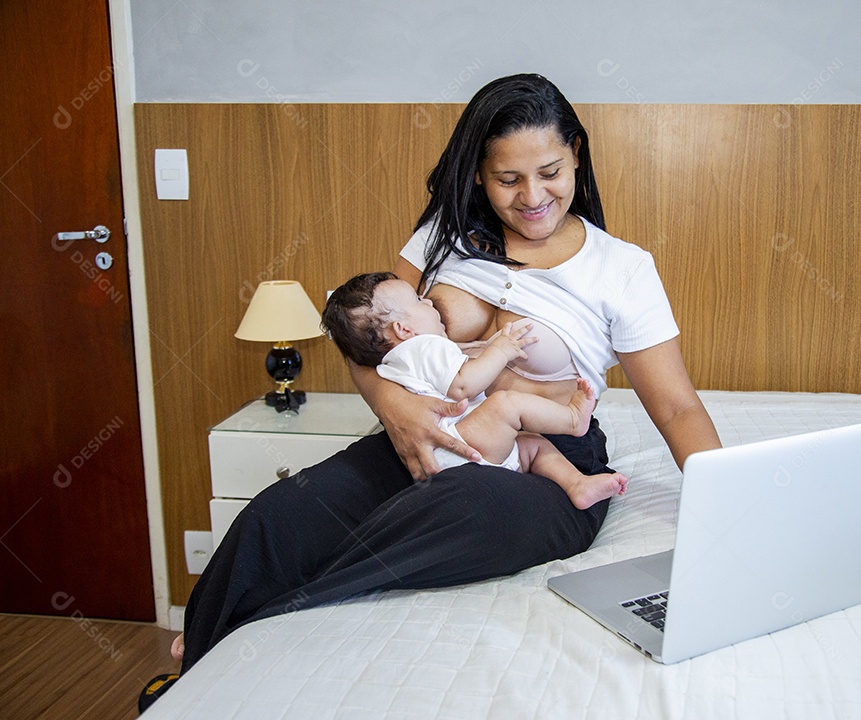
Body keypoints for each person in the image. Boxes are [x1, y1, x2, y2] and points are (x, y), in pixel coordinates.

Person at [146, 72, 721, 709]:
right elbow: (370, 340)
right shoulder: (442, 237)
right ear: (477, 173)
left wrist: (727, 501)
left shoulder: (621, 267)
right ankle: (189, 674)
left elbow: (676, 406)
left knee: (468, 504)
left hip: (544, 457)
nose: (533, 196)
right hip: (425, 431)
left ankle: (258, 620)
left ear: (577, 156)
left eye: (551, 172)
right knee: (278, 514)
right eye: (508, 180)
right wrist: (395, 410)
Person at [321, 270, 629, 509]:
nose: (428, 301)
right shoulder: (423, 347)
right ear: (404, 330)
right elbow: (462, 384)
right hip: (460, 445)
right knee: (506, 404)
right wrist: (503, 350)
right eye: (417, 301)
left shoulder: (396, 362)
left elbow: (461, 365)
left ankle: (577, 485)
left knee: (531, 445)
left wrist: (489, 347)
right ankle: (573, 419)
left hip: (448, 453)